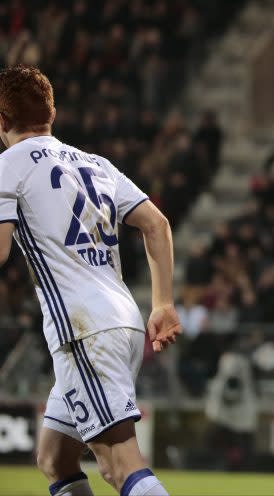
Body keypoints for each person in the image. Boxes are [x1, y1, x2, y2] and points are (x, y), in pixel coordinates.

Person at [0, 65, 181, 496]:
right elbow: (156, 224)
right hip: (123, 319)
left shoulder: (9, 165)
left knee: (119, 464)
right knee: (54, 457)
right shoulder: (94, 163)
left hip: (83, 330)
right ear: (52, 114)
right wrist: (163, 304)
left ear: (2, 121)